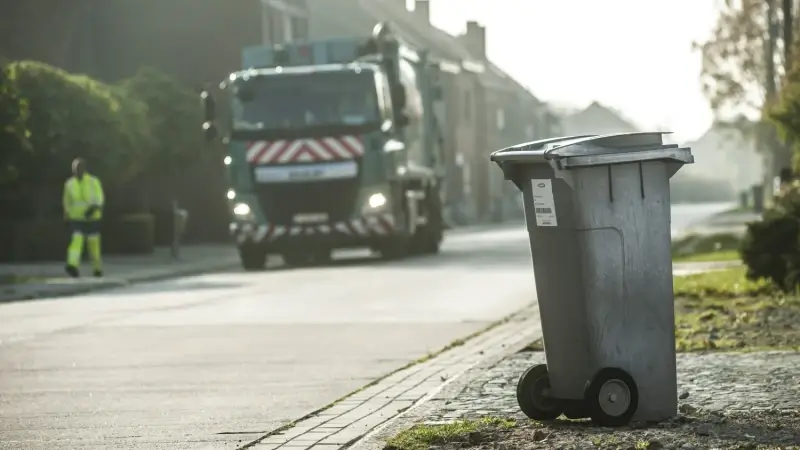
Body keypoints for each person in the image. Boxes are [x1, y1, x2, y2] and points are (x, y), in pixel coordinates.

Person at [63, 158, 104, 278]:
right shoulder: (69, 184)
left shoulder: (93, 181)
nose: (76, 170)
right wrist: (67, 214)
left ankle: (97, 268)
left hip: (93, 218)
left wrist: (93, 208)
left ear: (84, 168)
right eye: (74, 168)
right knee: (77, 240)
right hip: (77, 218)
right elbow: (67, 201)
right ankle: (72, 265)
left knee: (93, 244)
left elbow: (99, 197)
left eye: (78, 168)